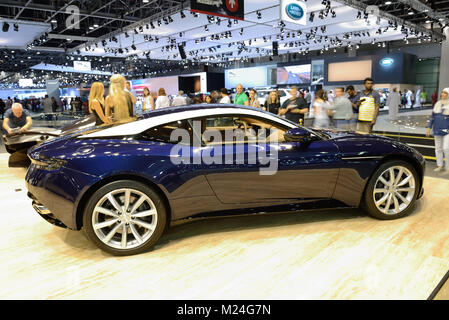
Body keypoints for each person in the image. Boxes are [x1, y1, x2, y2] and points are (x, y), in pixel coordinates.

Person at [426, 88, 449, 174]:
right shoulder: (437, 104)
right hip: (437, 129)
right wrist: (429, 128)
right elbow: (432, 118)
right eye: (442, 93)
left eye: (445, 93)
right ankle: (440, 165)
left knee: (446, 148)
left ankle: (448, 166)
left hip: (447, 130)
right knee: (438, 148)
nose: (442, 94)